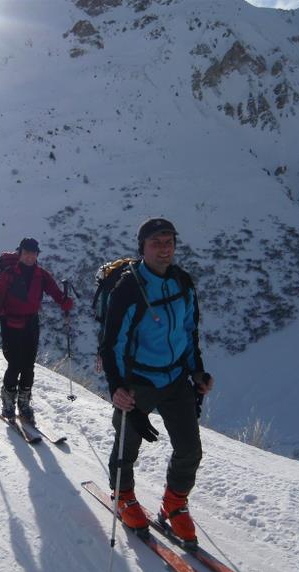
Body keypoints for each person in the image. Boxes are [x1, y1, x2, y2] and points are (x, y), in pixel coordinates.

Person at [99, 217, 214, 545]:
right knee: (127, 445)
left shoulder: (183, 282)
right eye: (156, 243)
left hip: (176, 378)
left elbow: (189, 332)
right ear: (143, 247)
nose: (164, 249)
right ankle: (123, 496)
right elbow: (111, 343)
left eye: (169, 243)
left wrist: (197, 371)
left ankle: (174, 504)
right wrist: (117, 388)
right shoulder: (128, 289)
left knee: (190, 449)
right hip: (139, 381)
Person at [0, 237, 73, 423]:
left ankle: (23, 401)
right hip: (10, 323)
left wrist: (64, 302)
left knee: (29, 365)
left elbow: (55, 292)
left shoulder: (42, 275)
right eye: (26, 253)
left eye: (33, 254)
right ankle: (8, 399)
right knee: (15, 363)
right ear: (20, 254)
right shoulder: (8, 275)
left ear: (37, 254)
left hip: (31, 323)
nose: (29, 257)